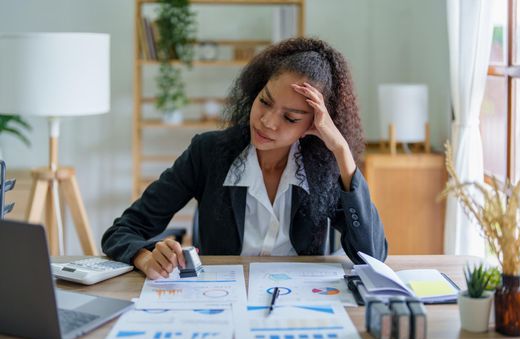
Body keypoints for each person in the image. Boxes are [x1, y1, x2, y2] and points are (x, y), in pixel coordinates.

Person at [102, 37, 388, 280]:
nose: (267, 122)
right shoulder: (209, 152)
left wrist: (341, 151)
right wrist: (145, 257)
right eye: (264, 101)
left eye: (290, 117)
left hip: (298, 305)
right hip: (220, 298)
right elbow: (122, 231)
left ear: (314, 125)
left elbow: (372, 255)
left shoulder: (323, 168)